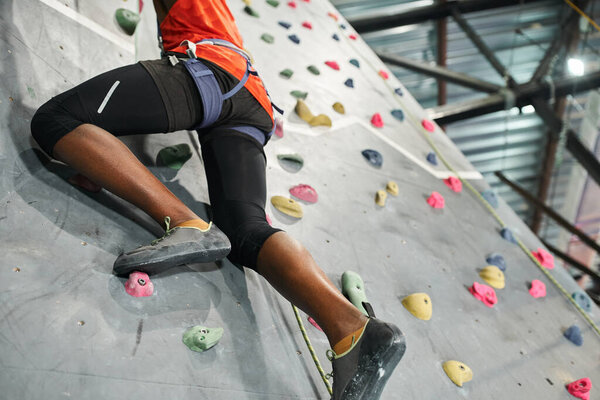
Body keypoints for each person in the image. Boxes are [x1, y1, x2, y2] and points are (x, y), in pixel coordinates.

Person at [30, 0, 405, 398]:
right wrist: (102, 159)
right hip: (249, 102)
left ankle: (186, 223)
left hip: (205, 70)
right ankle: (351, 329)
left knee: (56, 120)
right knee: (247, 231)